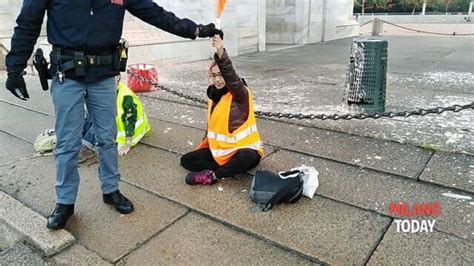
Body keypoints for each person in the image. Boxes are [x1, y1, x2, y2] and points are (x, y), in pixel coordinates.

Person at [5, 0, 222, 230]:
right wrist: (15, 68)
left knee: (107, 138)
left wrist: (196, 30)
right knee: (67, 143)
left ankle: (111, 190)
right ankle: (65, 202)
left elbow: (156, 14)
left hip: (103, 76)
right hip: (67, 75)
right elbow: (27, 23)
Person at [180, 35, 264, 185]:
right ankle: (229, 169)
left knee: (246, 157)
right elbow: (212, 128)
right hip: (222, 153)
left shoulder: (240, 94)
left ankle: (213, 176)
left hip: (243, 151)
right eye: (213, 76)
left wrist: (220, 52)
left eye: (220, 75)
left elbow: (232, 78)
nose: (217, 79)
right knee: (187, 160)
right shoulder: (214, 97)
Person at [81, 76, 150, 157]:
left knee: (100, 120)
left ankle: (86, 146)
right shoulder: (110, 90)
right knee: (93, 116)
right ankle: (81, 142)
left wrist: (127, 144)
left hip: (128, 134)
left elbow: (130, 120)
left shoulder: (125, 97)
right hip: (117, 127)